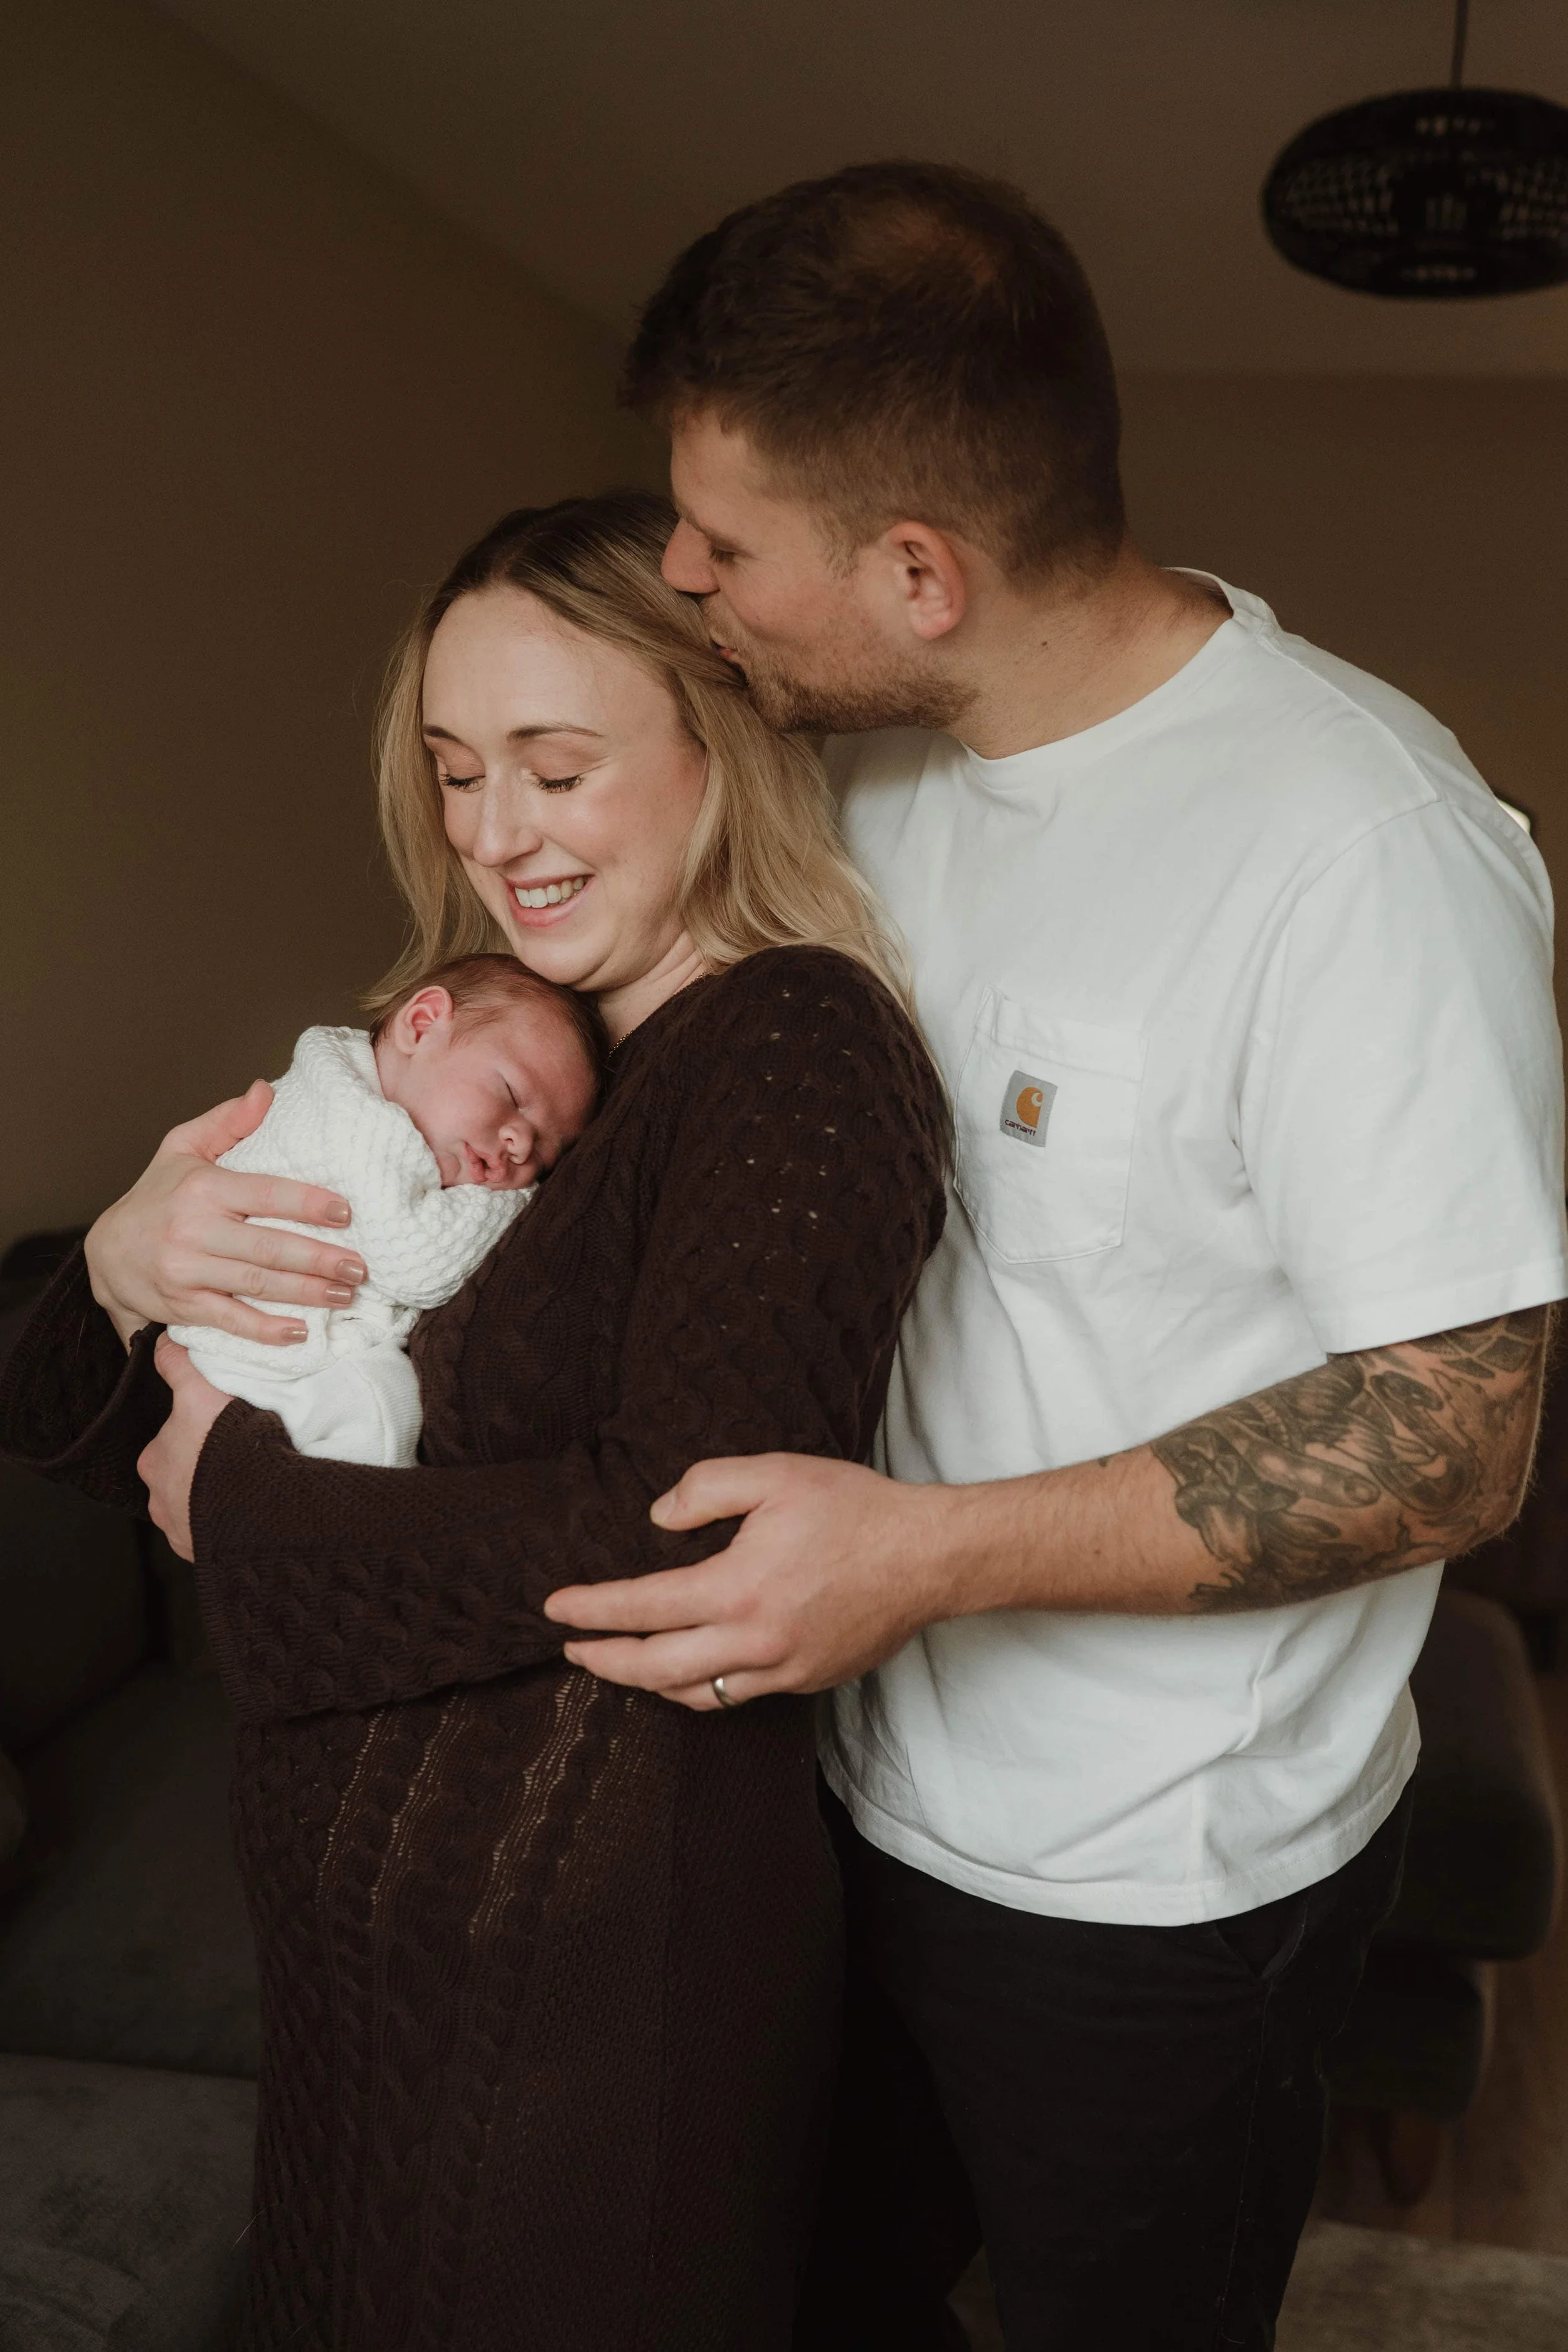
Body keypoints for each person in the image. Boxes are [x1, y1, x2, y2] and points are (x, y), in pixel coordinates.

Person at [542, 164, 1568, 2349]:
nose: (685, 579)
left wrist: (915, 1557)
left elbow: (1458, 1437)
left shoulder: (1360, 852)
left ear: (920, 571)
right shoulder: (869, 778)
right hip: (831, 1794)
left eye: (726, 547)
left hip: (1159, 1892)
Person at [0, 490, 950, 2350]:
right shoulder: (445, 1077)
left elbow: (686, 1528)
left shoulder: (791, 1043)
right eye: (453, 772)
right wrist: (118, 1263)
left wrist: (248, 1505)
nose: (492, 833)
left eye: (552, 766)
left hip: (587, 2007)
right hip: (389, 1984)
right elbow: (44, 1416)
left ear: (717, 738)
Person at [169, 954, 603, 1467]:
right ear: (421, 1027)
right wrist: (521, 1199)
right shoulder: (362, 1127)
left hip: (229, 1353)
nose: (519, 1142)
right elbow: (420, 1266)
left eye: (546, 1155)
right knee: (384, 1403)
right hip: (260, 1361)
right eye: (510, 1093)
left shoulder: (345, 1088)